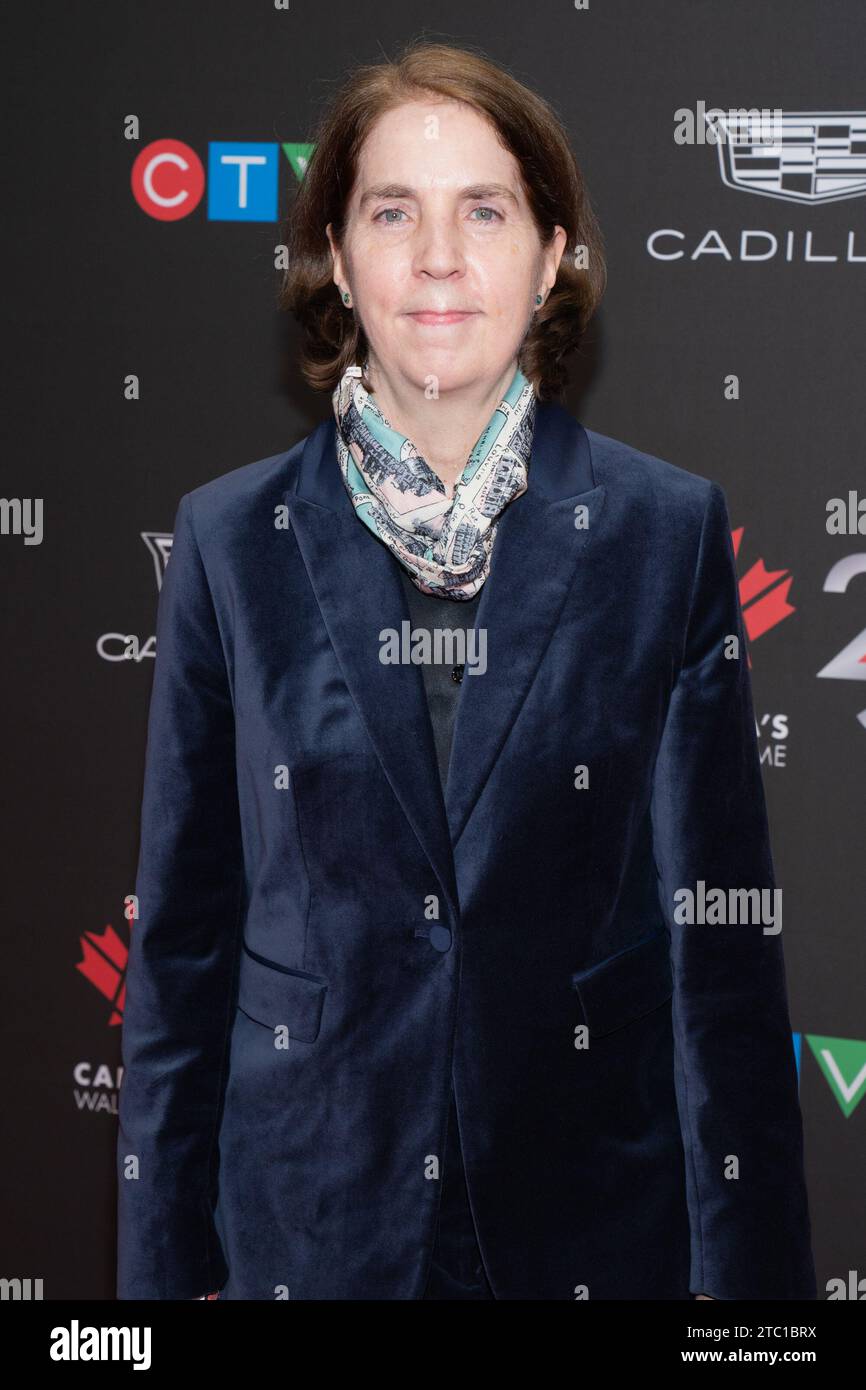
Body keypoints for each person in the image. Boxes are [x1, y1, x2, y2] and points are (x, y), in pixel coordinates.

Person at [116, 39, 816, 1300]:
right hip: (311, 1230)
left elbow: (714, 958)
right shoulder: (229, 542)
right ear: (338, 254)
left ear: (550, 258)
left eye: (482, 211)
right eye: (393, 212)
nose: (438, 256)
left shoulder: (660, 536)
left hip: (591, 1234)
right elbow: (181, 956)